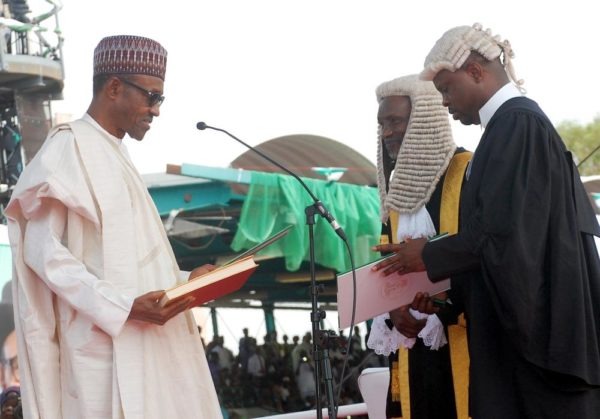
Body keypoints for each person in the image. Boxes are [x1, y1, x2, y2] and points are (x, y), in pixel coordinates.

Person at [374, 23, 600, 418]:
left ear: (476, 71)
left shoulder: (518, 125)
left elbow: (503, 235)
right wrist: (445, 301)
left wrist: (427, 255)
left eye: (447, 88)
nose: (444, 102)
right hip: (523, 348)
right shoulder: (507, 129)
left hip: (539, 354)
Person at [5, 35, 222, 418]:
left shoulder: (116, 154)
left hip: (148, 349)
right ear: (115, 87)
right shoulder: (67, 148)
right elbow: (42, 252)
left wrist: (186, 282)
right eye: (151, 97)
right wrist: (122, 308)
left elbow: (126, 263)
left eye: (160, 100)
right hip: (103, 358)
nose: (156, 110)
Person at [367, 74, 471, 419]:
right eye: (382, 123)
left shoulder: (467, 171)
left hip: (465, 337)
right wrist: (393, 309)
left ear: (424, 121)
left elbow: (481, 248)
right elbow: (386, 259)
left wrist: (441, 305)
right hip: (412, 342)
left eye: (395, 121)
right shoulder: (396, 192)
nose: (386, 132)